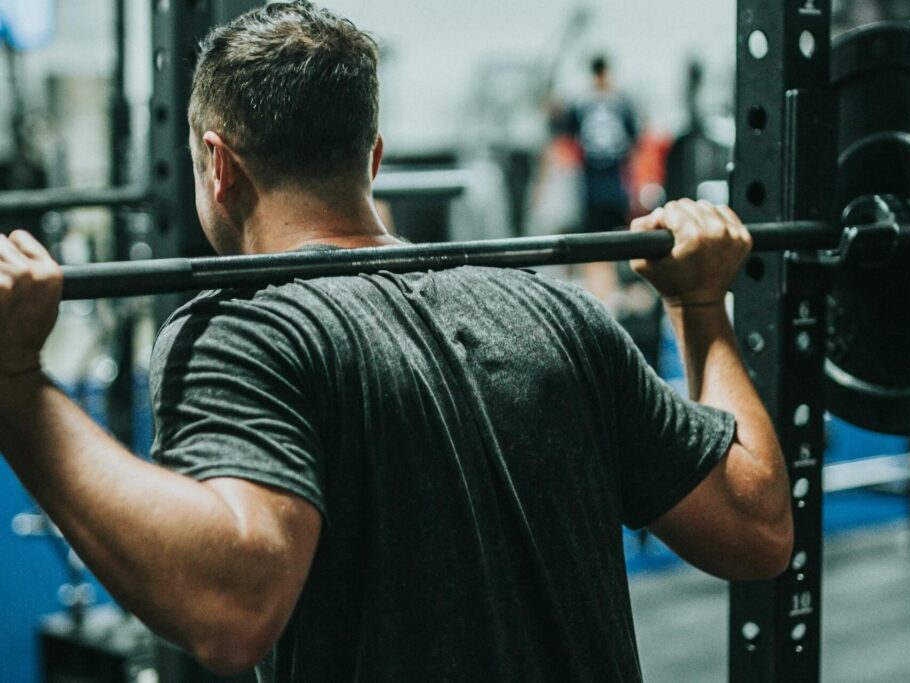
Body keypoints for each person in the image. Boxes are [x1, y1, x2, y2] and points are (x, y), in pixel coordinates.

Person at [0, 3, 792, 681]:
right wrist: (700, 302)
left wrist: (17, 384)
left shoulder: (245, 330)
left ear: (218, 165)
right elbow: (759, 530)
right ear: (372, 158)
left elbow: (232, 608)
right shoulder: (560, 315)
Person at [564, 54, 639, 306]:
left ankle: (602, 295)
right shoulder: (621, 103)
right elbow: (633, 145)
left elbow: (568, 141)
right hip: (609, 184)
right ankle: (604, 295)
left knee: (599, 243)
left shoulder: (581, 104)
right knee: (606, 242)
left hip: (598, 184)